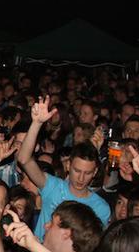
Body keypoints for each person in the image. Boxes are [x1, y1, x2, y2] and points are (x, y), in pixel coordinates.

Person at [17, 96, 110, 240]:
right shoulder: (52, 186)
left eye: (87, 173)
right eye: (77, 171)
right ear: (68, 166)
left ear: (95, 172)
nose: (81, 178)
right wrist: (36, 123)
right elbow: (24, 159)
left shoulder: (100, 207)